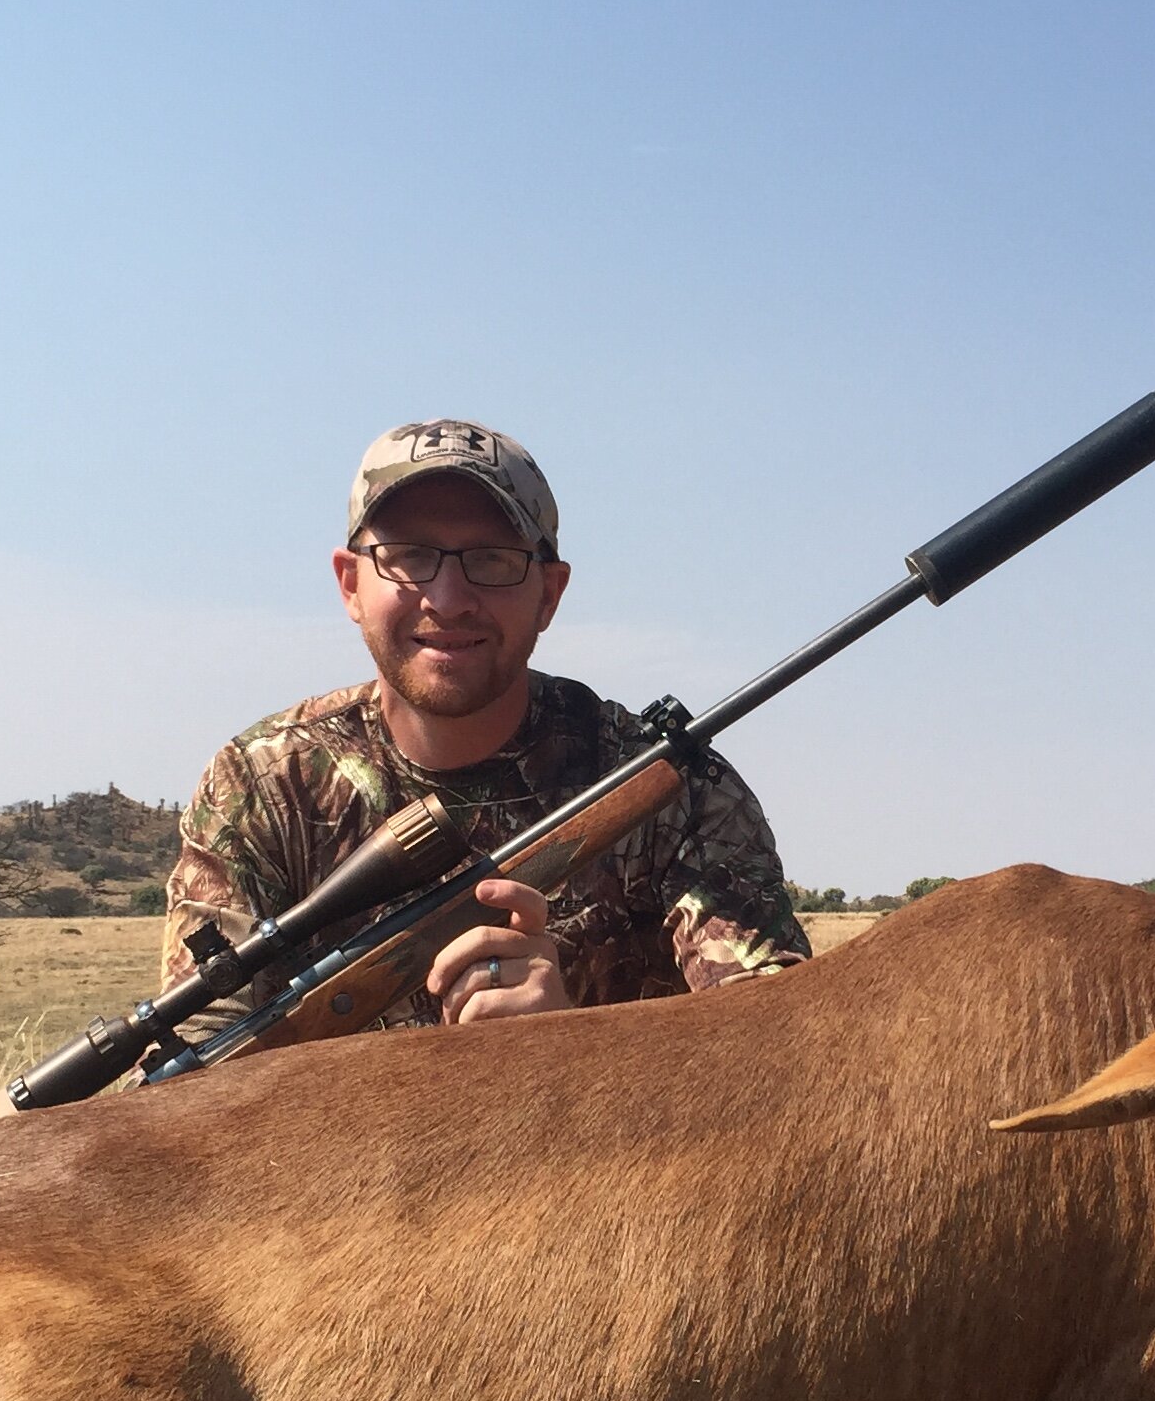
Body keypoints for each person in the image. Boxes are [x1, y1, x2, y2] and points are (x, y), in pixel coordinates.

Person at [157, 417, 809, 1043]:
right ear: (350, 584)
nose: (446, 599)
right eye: (409, 556)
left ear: (549, 595)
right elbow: (197, 1080)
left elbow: (776, 1053)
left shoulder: (676, 791)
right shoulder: (261, 784)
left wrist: (576, 1047)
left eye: (492, 561)